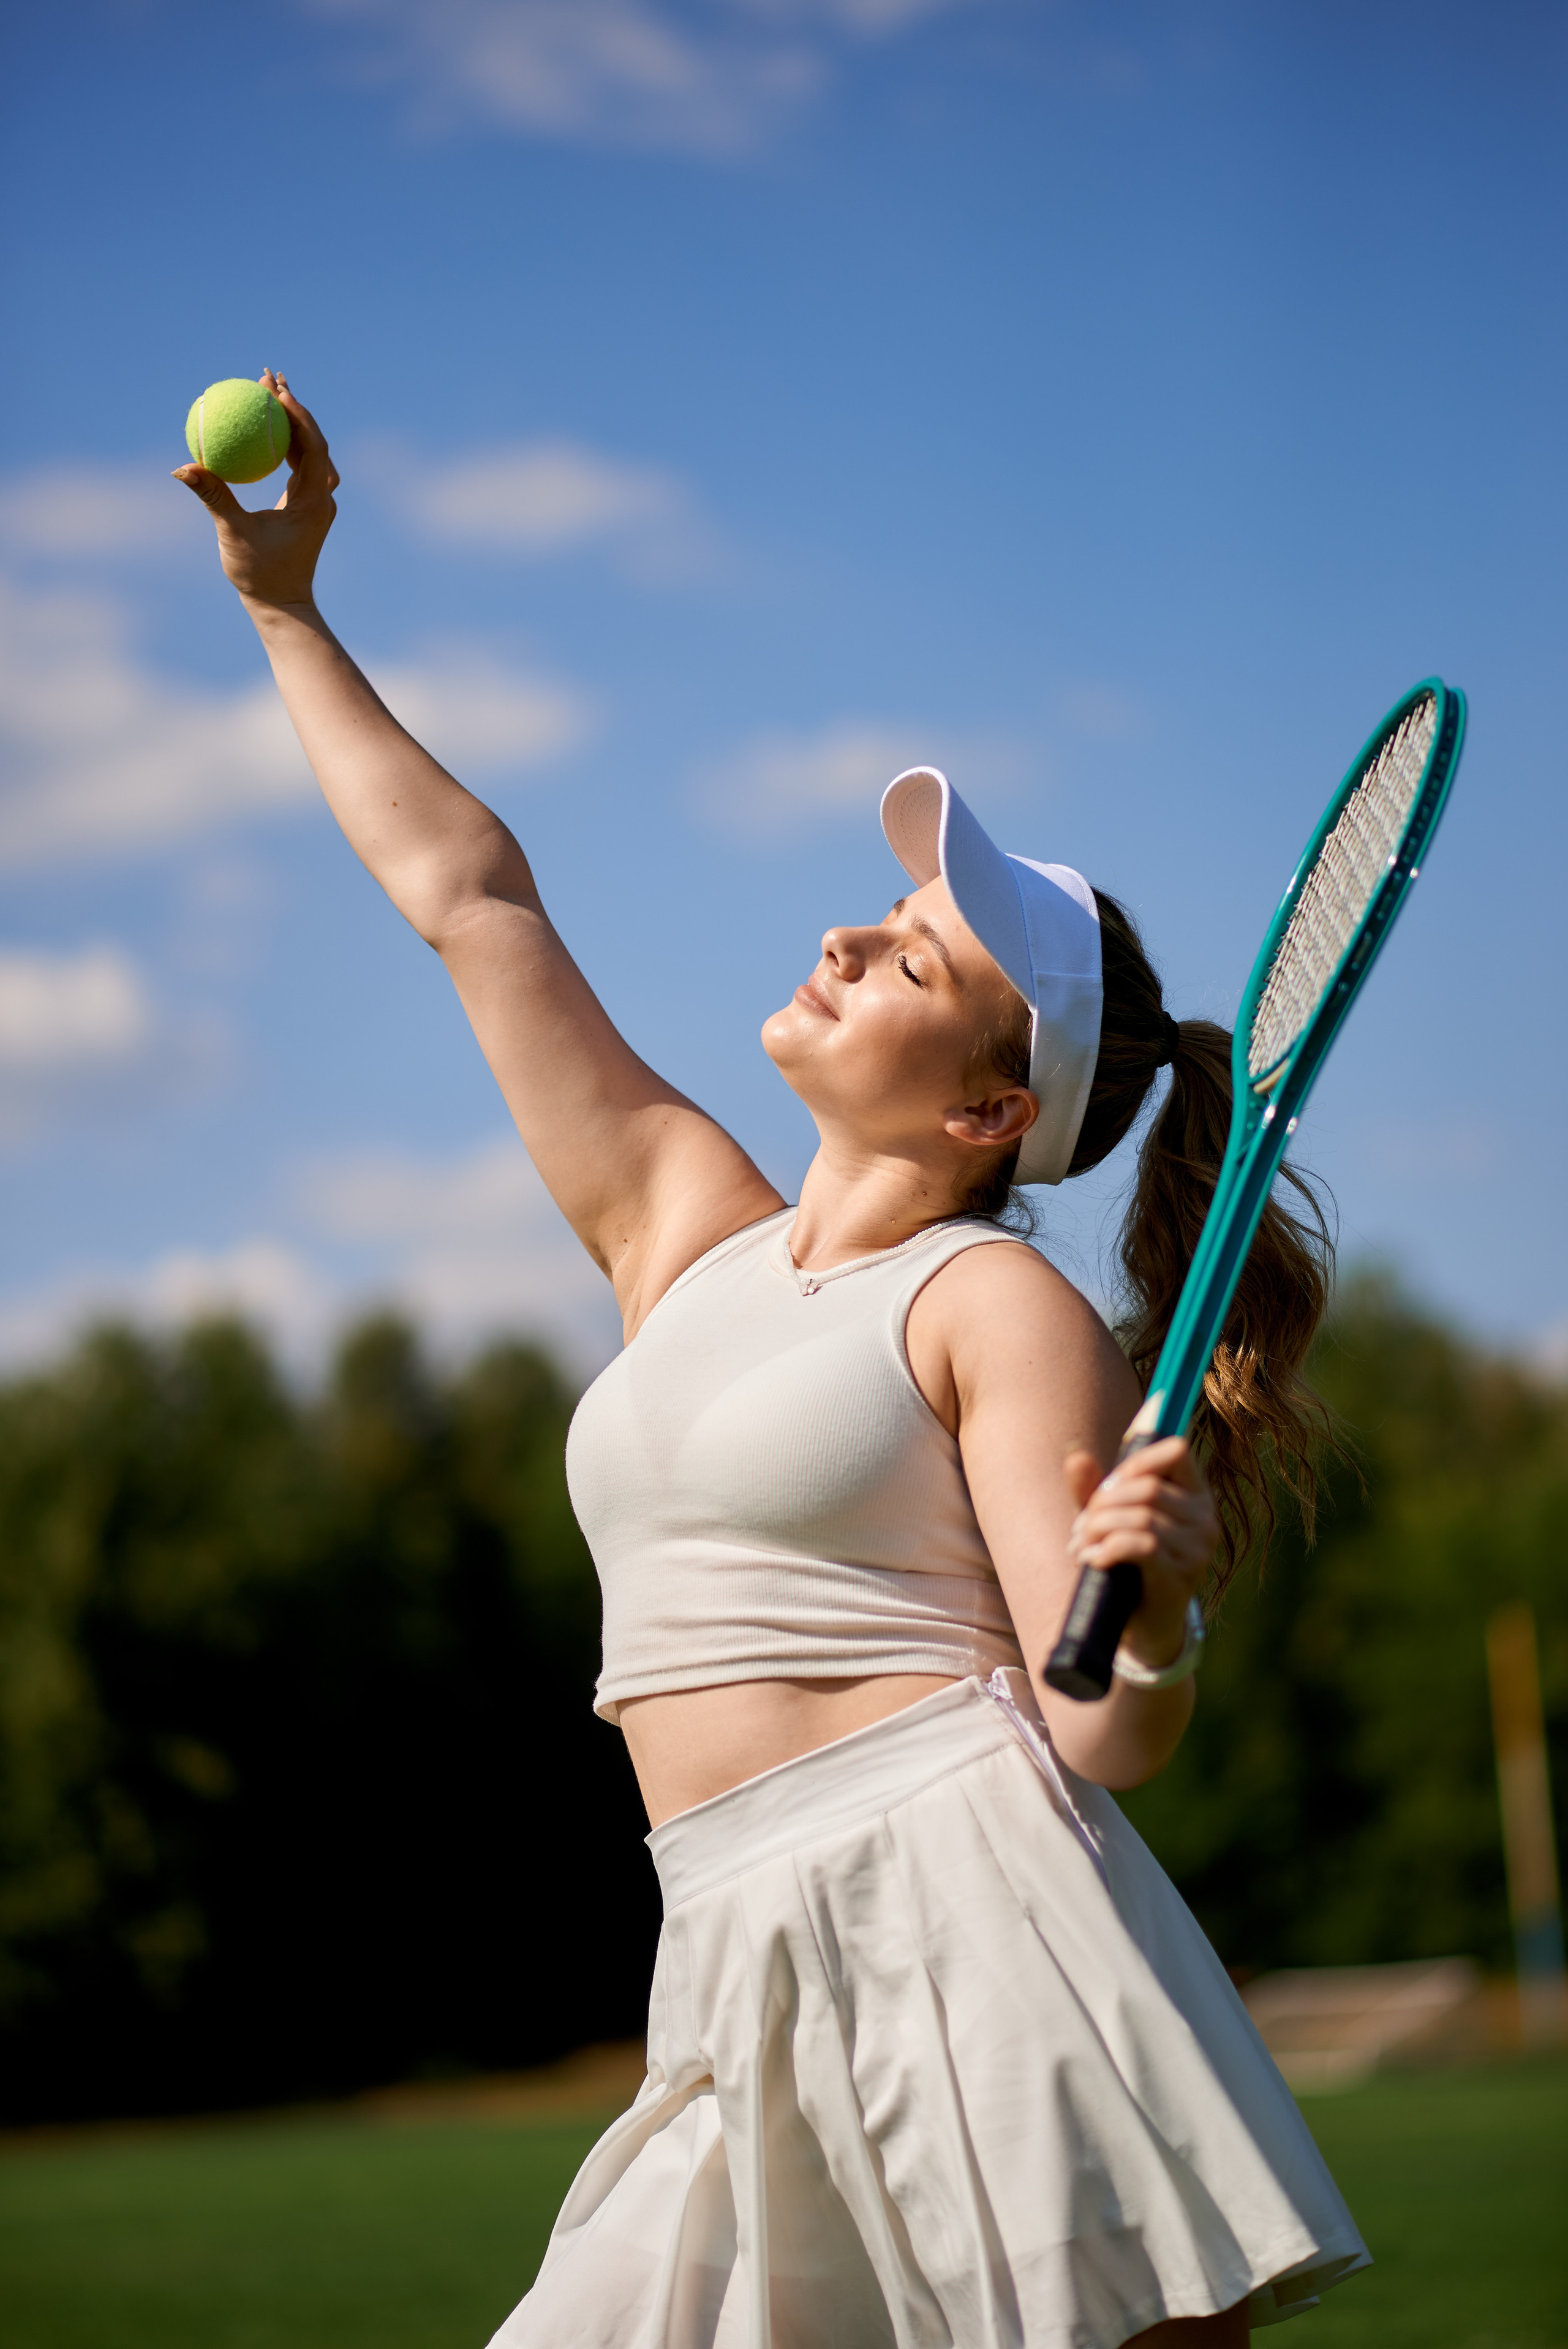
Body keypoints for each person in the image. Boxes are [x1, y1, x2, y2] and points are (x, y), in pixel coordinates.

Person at [177, 377, 1369, 2349]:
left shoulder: (994, 1306)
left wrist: (1145, 1618)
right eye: (888, 913)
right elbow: (474, 902)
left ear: (998, 1113)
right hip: (722, 1950)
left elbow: (1097, 1734)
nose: (845, 932)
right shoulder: (682, 1229)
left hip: (968, 1928)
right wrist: (288, 607)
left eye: (913, 957)